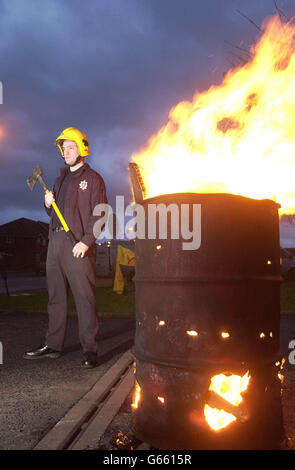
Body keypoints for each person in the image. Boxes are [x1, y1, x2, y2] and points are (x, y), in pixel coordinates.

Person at [24, 127, 107, 368]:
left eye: (70, 147)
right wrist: (47, 204)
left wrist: (86, 241)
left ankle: (90, 349)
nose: (66, 152)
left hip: (77, 245)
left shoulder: (93, 179)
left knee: (85, 299)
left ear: (82, 148)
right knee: (55, 297)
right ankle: (53, 345)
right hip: (55, 244)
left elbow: (101, 214)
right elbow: (55, 215)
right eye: (63, 148)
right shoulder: (59, 180)